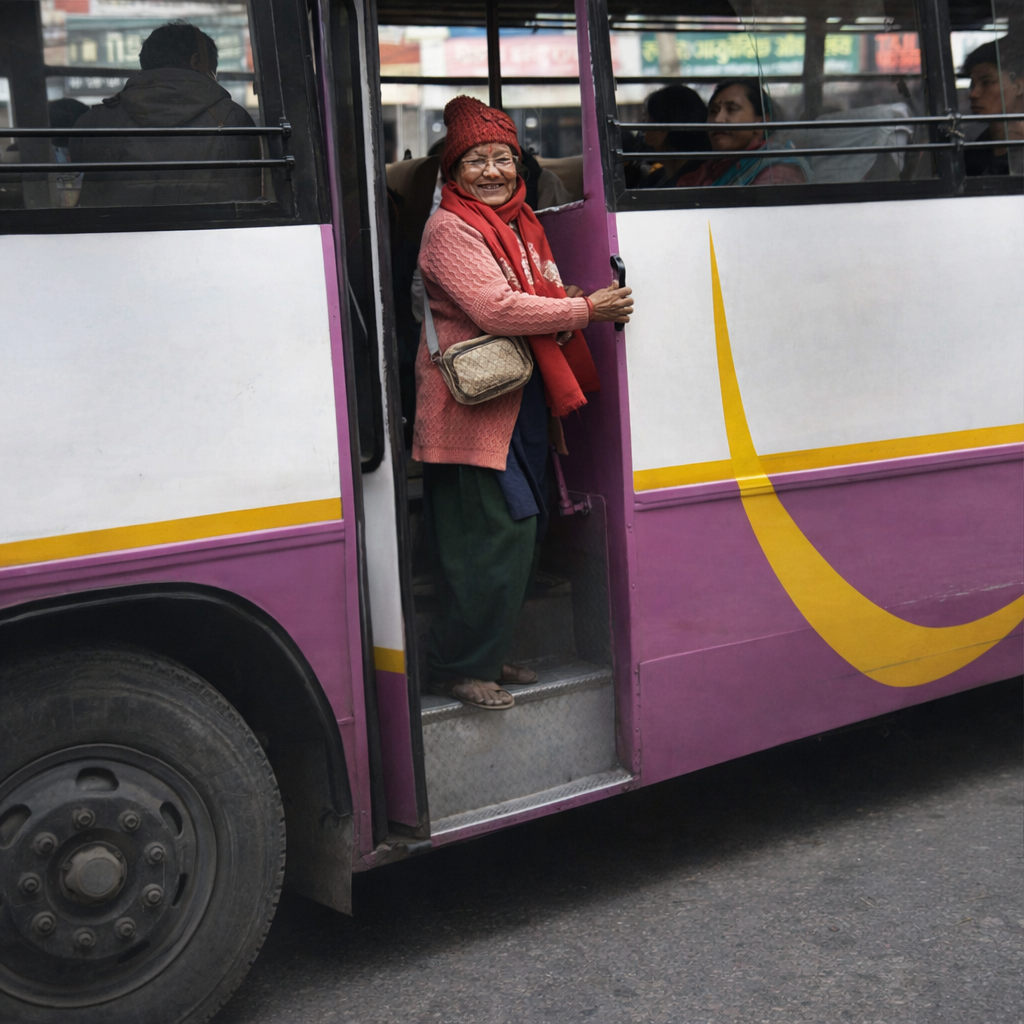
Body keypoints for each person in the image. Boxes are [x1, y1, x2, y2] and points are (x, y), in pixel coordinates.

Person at [413, 95, 632, 710]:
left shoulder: (519, 222)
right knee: (492, 541)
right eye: (476, 160)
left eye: (503, 158)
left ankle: (485, 652)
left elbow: (530, 294)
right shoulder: (449, 228)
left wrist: (562, 302)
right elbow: (495, 309)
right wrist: (584, 309)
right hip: (471, 414)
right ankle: (456, 667)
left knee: (525, 534)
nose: (492, 171)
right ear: (453, 171)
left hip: (518, 403)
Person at [70, 21, 261, 206]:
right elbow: (248, 196)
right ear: (196, 62)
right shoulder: (233, 118)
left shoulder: (96, 121)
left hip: (115, 228)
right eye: (213, 72)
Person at [674, 79, 808, 188]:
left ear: (761, 122)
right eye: (713, 111)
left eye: (731, 109)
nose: (717, 120)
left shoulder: (777, 174)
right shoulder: (712, 169)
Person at [962, 36, 1024, 176]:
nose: (973, 94)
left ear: (1018, 86)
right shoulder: (973, 148)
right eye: (972, 85)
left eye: (986, 82)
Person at [628, 83, 708, 188]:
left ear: (662, 131)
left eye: (647, 122)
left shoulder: (685, 183)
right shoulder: (659, 176)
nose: (644, 133)